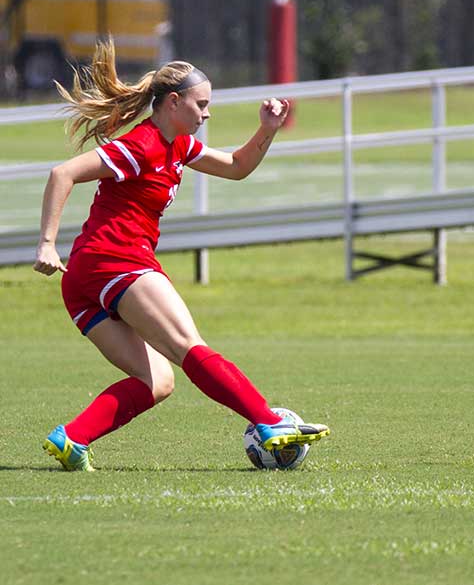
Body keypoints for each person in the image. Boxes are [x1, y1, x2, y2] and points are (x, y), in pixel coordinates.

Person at [34, 40, 330, 471]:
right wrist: (46, 242)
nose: (207, 114)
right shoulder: (141, 145)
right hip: (115, 262)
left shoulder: (181, 146)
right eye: (201, 104)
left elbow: (236, 166)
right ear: (173, 102)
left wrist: (267, 128)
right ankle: (268, 424)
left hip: (82, 280)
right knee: (188, 346)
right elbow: (63, 173)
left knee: (157, 381)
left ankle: (72, 438)